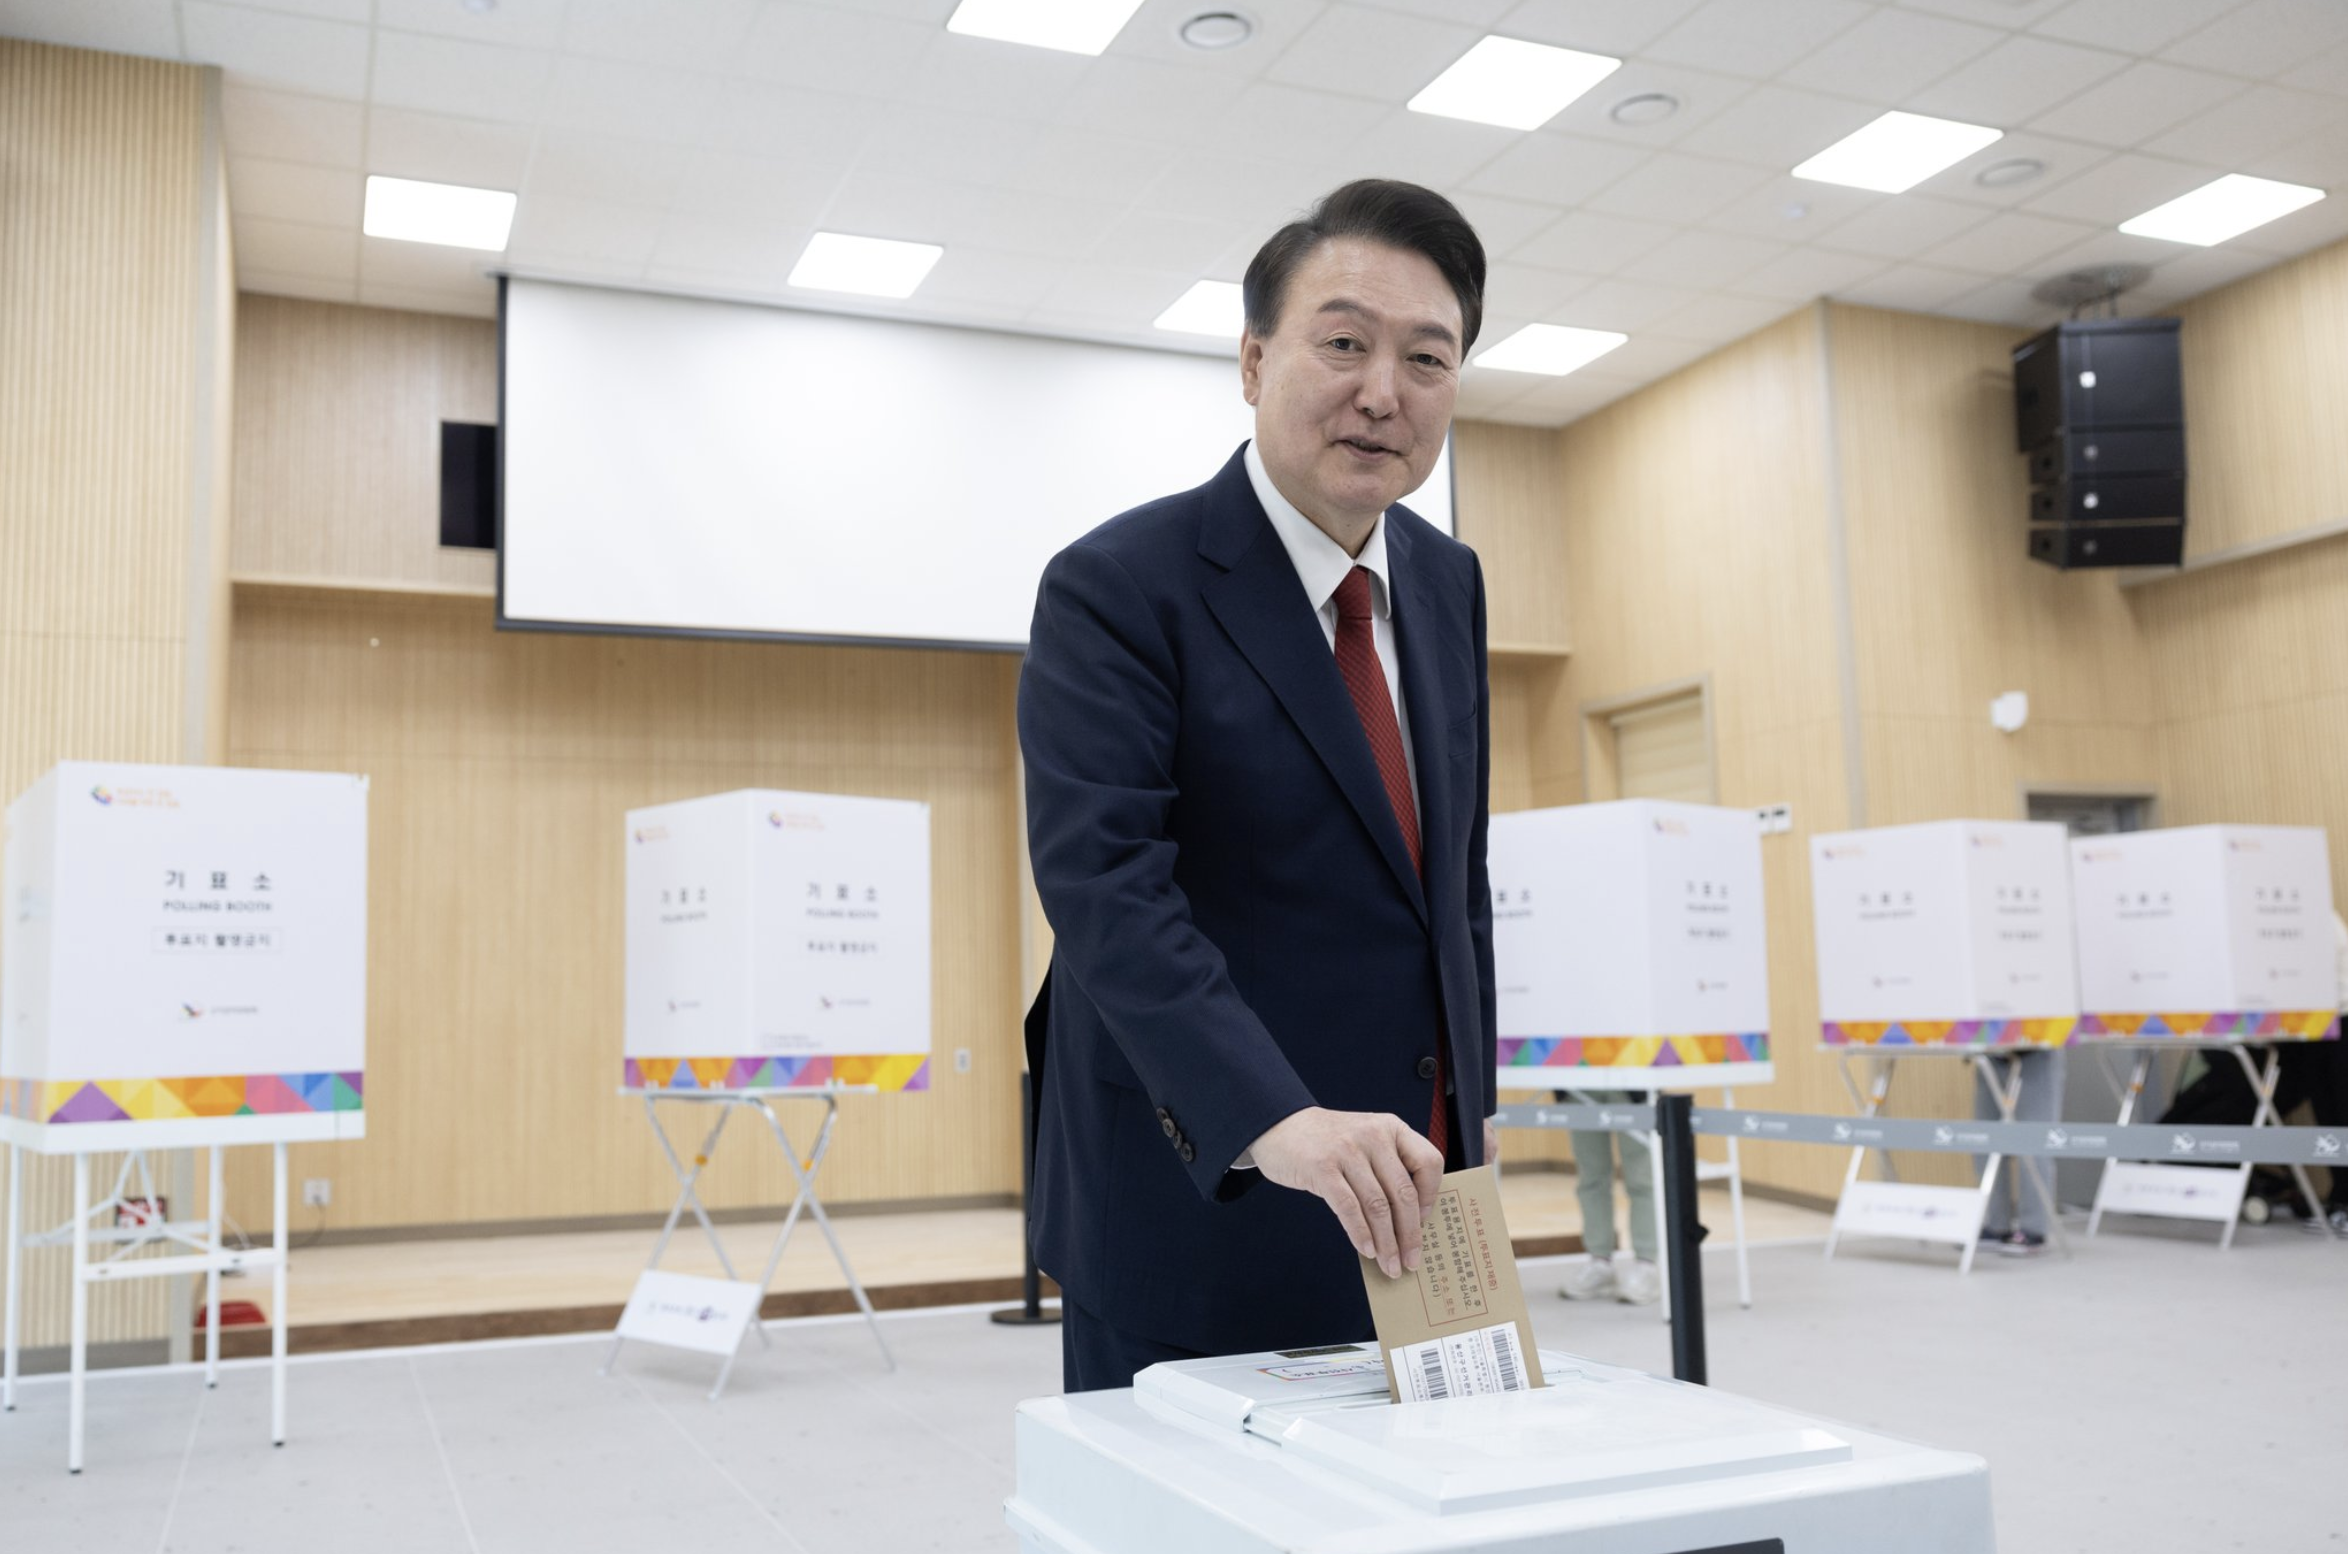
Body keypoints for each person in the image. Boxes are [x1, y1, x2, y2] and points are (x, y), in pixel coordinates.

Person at [1018, 180, 1496, 1392]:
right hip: (1203, 1188)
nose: (1382, 392)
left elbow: (1451, 887)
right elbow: (1106, 892)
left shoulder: (1447, 584)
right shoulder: (1118, 585)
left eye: (1425, 358)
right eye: (1343, 343)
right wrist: (1272, 1119)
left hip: (1418, 1197)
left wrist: (1470, 1134)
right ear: (1251, 359)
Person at [1559, 1093, 1662, 1304]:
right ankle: (1600, 1261)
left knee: (1642, 1177)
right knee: (1591, 1176)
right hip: (1579, 1078)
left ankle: (1646, 1264)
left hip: (1632, 1076)